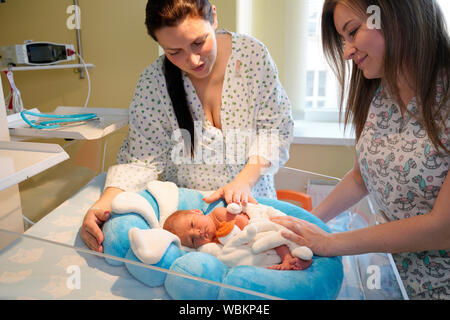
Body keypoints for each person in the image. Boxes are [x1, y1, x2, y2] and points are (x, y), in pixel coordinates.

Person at [81, 0, 293, 253]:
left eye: (198, 42)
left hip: (249, 208)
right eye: (174, 52)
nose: (192, 60)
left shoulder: (252, 57)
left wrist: (244, 182)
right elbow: (140, 160)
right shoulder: (154, 82)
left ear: (213, 17)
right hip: (191, 228)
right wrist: (101, 207)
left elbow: (274, 130)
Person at [272, 0, 450, 300]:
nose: (346, 51)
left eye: (352, 32)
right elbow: (361, 177)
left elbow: (441, 228)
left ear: (396, 15)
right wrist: (309, 225)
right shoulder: (379, 92)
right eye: (343, 39)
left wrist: (331, 242)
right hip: (392, 276)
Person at [163, 207, 312, 270]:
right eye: (193, 240)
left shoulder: (217, 214)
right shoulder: (211, 245)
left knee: (269, 237)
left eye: (192, 224)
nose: (197, 233)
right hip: (250, 244)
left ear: (196, 212)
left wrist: (227, 230)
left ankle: (287, 258)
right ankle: (299, 261)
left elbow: (242, 223)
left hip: (254, 227)